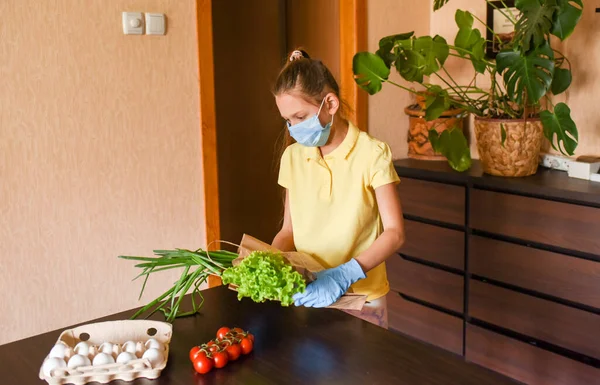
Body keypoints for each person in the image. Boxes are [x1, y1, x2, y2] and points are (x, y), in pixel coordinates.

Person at [271, 49, 405, 328]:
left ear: (329, 103)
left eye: (300, 116)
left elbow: (395, 233)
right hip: (310, 295)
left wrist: (344, 274)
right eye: (288, 120)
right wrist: (270, 262)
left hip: (362, 299)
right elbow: (288, 232)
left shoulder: (372, 153)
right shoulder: (293, 157)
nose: (293, 128)